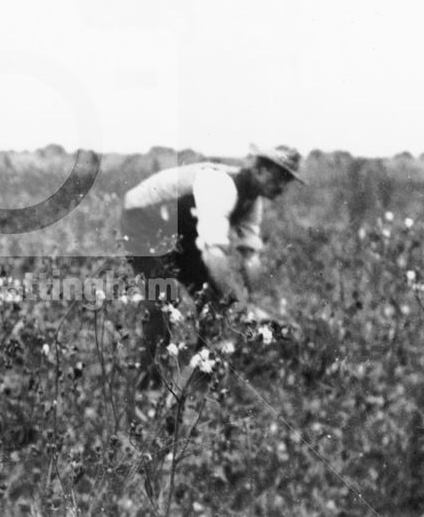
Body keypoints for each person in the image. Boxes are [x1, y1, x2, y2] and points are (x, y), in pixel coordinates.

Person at [120, 145, 305, 386]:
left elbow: (251, 256)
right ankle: (148, 384)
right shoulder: (221, 186)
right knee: (164, 298)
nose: (282, 187)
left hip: (179, 231)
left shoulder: (252, 201)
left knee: (214, 299)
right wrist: (240, 305)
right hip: (142, 219)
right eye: (279, 177)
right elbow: (213, 254)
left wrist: (254, 303)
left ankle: (198, 379)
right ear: (259, 169)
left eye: (287, 180)